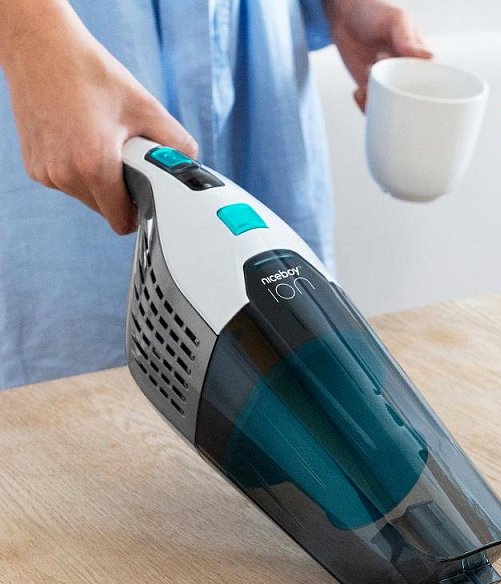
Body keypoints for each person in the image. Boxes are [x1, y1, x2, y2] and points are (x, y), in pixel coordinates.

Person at [0, 0, 430, 389]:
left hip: (256, 55)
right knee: (79, 393)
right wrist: (31, 37)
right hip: (68, 49)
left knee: (290, 374)